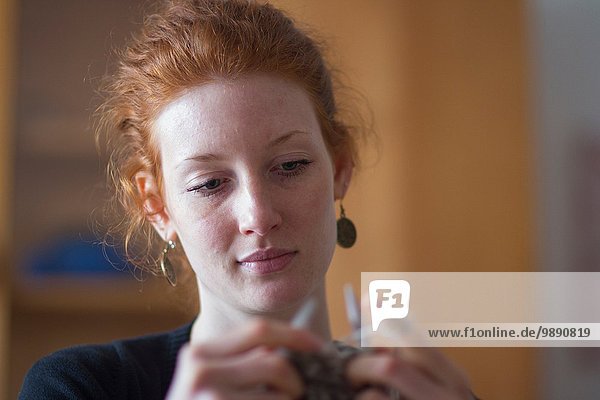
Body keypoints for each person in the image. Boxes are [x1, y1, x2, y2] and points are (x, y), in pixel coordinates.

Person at [19, 0, 475, 399]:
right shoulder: (80, 387)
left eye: (291, 166)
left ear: (339, 168)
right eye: (210, 184)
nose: (258, 215)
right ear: (157, 207)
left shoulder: (422, 392)